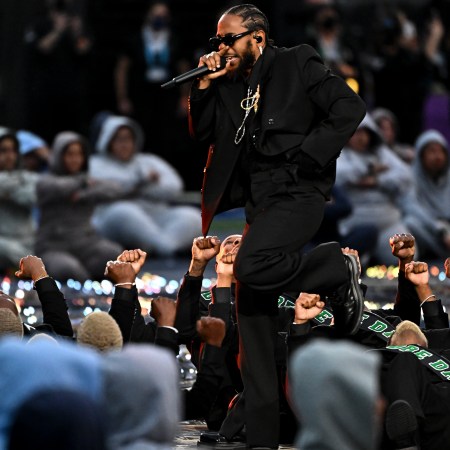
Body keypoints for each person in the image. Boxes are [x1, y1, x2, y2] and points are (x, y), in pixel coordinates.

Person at [188, 4, 366, 448]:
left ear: (258, 37)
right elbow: (204, 133)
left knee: (249, 266)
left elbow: (349, 106)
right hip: (258, 205)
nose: (221, 47)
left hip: (297, 193)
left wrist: (311, 156)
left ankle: (332, 267)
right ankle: (262, 439)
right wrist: (205, 84)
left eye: (229, 39)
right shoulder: (229, 83)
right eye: (217, 41)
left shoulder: (296, 61)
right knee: (253, 333)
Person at [89, 115, 201, 257]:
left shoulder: (148, 161)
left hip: (155, 214)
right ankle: (164, 247)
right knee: (124, 212)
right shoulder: (95, 164)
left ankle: (166, 246)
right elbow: (107, 188)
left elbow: (174, 186)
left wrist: (141, 188)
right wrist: (142, 182)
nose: (124, 144)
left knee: (192, 216)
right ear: (108, 140)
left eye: (128, 138)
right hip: (112, 216)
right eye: (118, 139)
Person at [35, 131, 123, 281]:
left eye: (79, 154)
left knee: (117, 255)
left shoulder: (86, 183)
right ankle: (87, 280)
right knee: (69, 269)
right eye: (70, 154)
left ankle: (91, 277)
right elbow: (59, 187)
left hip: (86, 244)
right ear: (59, 156)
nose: (75, 160)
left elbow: (115, 189)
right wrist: (81, 182)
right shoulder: (46, 181)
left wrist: (83, 195)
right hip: (54, 248)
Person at [335, 113, 413, 265]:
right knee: (354, 264)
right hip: (355, 224)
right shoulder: (340, 154)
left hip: (387, 222)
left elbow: (405, 175)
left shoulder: (381, 153)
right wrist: (369, 168)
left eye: (365, 132)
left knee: (407, 256)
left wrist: (377, 181)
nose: (361, 137)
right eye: (356, 132)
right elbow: (337, 175)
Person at [403, 130, 450, 260]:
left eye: (441, 151)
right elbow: (411, 207)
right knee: (410, 223)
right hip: (431, 229)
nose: (438, 156)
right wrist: (440, 229)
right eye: (432, 151)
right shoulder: (411, 177)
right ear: (421, 155)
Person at [0, 128, 39, 274]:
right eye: (3, 151)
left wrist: (6, 191)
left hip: (27, 243)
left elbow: (32, 197)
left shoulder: (28, 177)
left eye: (13, 150)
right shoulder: (22, 180)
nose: (9, 156)